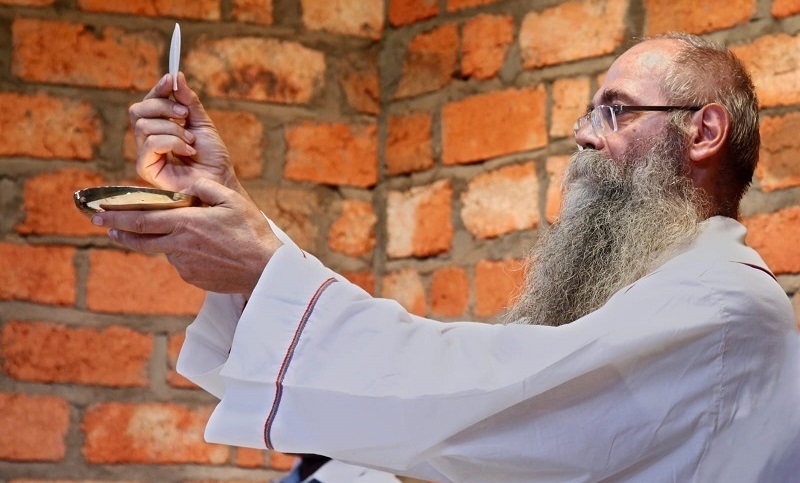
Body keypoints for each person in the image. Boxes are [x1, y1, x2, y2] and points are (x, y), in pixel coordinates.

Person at [90, 32, 800, 482]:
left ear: (704, 130)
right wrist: (235, 214)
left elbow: (483, 403)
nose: (586, 135)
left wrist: (261, 260)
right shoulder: (664, 290)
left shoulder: (723, 307)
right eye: (589, 114)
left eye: (615, 111)